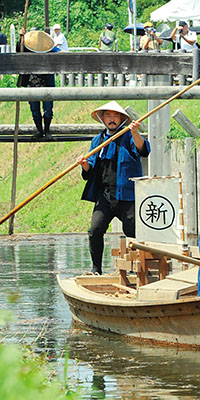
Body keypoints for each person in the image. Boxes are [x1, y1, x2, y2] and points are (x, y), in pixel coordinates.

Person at [77, 101, 150, 274]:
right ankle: (96, 269)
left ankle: (136, 269)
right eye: (108, 116)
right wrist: (84, 164)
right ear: (102, 119)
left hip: (128, 194)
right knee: (95, 230)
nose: (112, 120)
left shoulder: (130, 136)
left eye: (115, 116)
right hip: (105, 195)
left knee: (132, 231)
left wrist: (135, 132)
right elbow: (89, 170)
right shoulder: (97, 140)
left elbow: (143, 150)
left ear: (121, 119)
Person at [17, 28, 57, 138]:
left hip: (46, 82)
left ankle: (47, 130)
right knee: (34, 109)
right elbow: (18, 50)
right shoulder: (26, 47)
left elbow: (57, 51)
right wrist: (21, 38)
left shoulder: (47, 48)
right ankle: (39, 130)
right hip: (31, 82)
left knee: (48, 109)